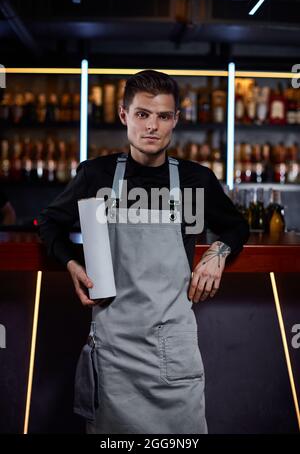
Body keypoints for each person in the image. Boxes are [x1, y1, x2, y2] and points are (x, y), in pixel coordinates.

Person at [37, 69, 249, 434]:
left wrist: (218, 252)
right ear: (124, 116)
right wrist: (71, 263)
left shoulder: (196, 179)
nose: (152, 126)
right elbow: (49, 224)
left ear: (175, 121)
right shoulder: (96, 176)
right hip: (114, 347)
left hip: (174, 349)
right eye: (142, 114)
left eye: (163, 116)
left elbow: (236, 226)